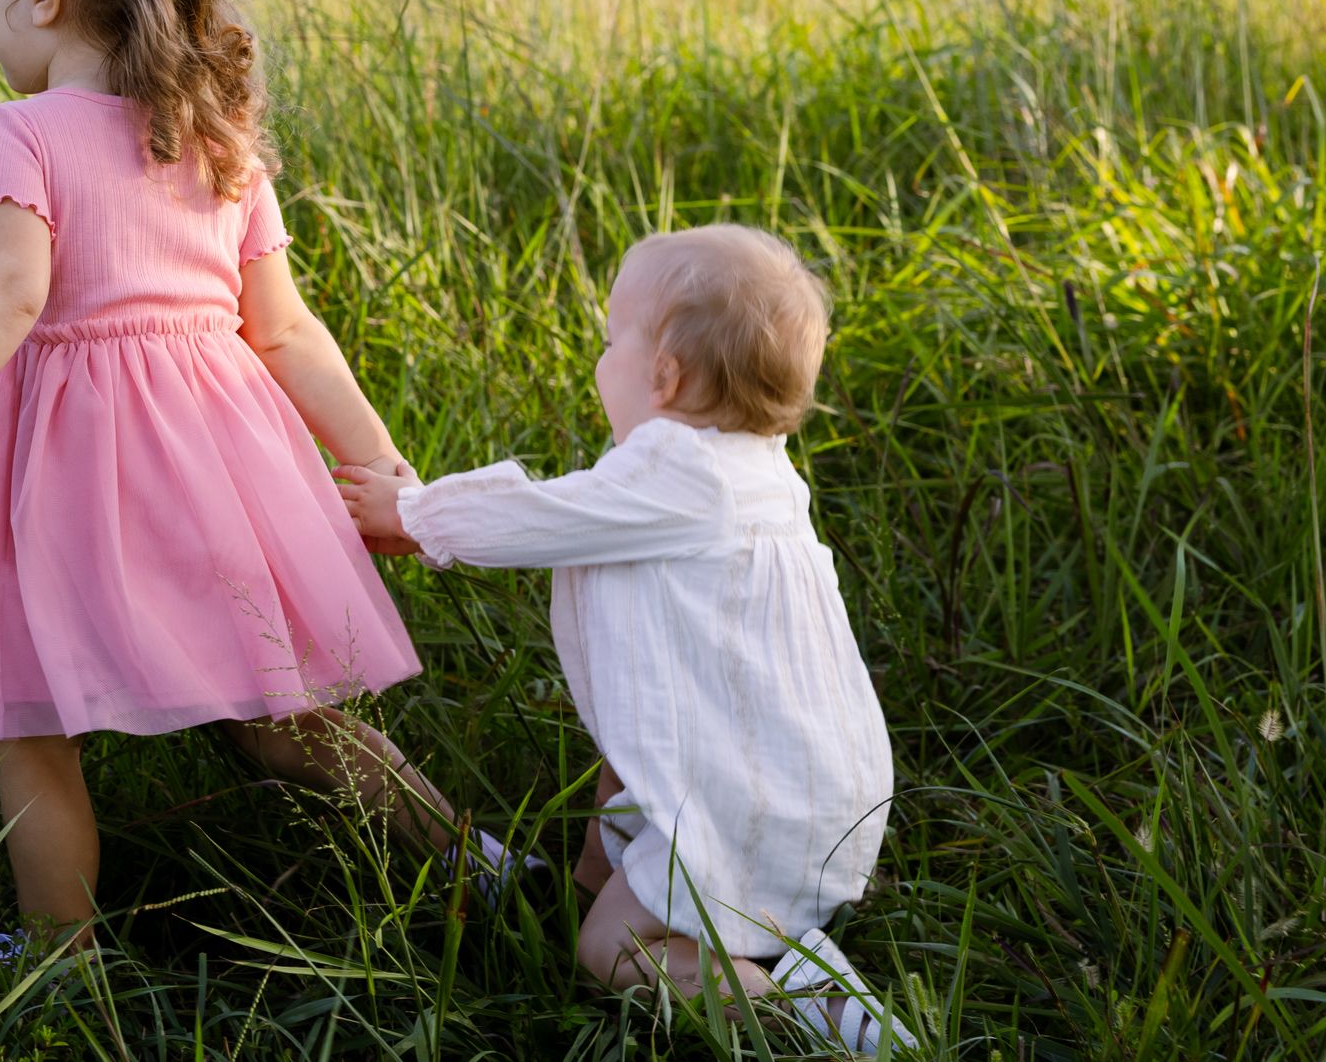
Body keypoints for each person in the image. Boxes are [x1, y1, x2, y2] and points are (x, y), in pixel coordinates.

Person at [0, 0, 534, 984]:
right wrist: (384, 471)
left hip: (68, 478)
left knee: (32, 721)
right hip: (221, 466)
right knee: (286, 716)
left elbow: (5, 297)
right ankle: (482, 867)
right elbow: (288, 330)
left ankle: (58, 957)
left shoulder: (16, 133)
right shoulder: (216, 139)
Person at [338, 224, 911, 1053]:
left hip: (746, 799)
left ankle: (802, 1009)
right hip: (805, 781)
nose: (600, 359)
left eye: (610, 341)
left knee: (610, 952)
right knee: (632, 839)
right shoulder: (764, 472)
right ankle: (771, 942)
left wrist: (418, 513)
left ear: (665, 375)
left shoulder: (679, 471)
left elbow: (541, 514)